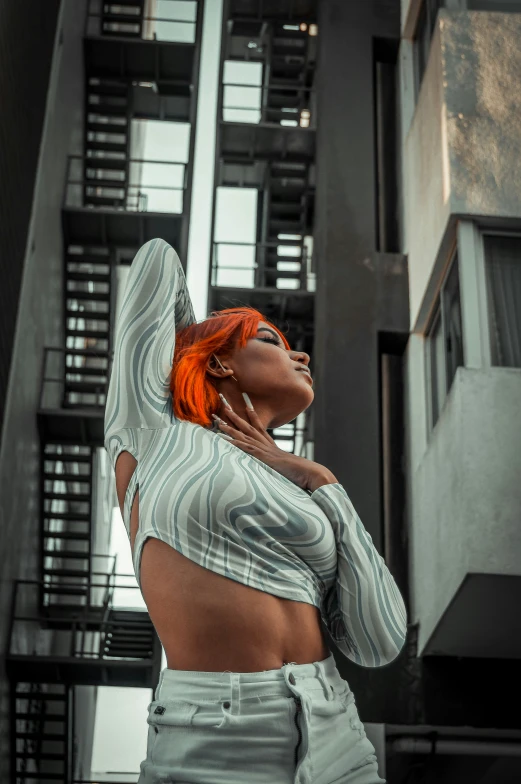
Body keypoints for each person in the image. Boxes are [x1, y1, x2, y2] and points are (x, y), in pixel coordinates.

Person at [104, 237, 407, 784]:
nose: (302, 355)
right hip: (214, 736)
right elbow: (156, 263)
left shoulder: (300, 483)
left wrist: (322, 481)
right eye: (271, 339)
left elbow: (380, 640)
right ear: (219, 358)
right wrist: (200, 344)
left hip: (336, 729)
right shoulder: (155, 434)